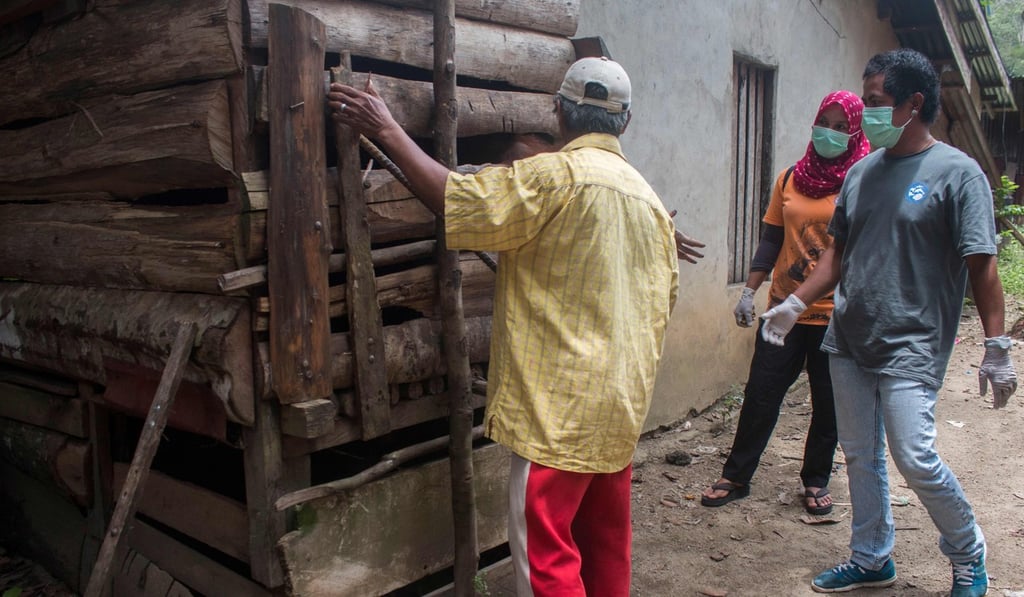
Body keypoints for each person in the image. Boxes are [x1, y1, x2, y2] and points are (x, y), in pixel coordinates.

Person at [327, 57, 682, 597]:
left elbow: (455, 201)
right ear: (625, 123)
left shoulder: (551, 177)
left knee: (547, 561)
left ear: (559, 113)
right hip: (620, 410)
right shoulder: (651, 204)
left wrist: (386, 129)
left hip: (556, 417)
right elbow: (664, 303)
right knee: (605, 549)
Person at [760, 48, 1018, 596]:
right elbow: (837, 255)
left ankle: (969, 552)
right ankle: (872, 557)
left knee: (915, 456)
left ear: (913, 104)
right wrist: (792, 304)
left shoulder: (958, 174)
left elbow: (983, 266)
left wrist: (997, 345)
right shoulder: (860, 172)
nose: (867, 112)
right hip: (849, 337)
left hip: (913, 343)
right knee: (858, 454)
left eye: (876, 102)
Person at [701, 90, 870, 516]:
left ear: (854, 132)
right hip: (782, 314)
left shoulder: (862, 180)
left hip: (835, 316)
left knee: (827, 404)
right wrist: (748, 290)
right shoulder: (789, 179)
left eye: (839, 126)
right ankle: (736, 476)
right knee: (761, 394)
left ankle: (815, 480)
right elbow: (771, 239)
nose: (828, 132)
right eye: (824, 122)